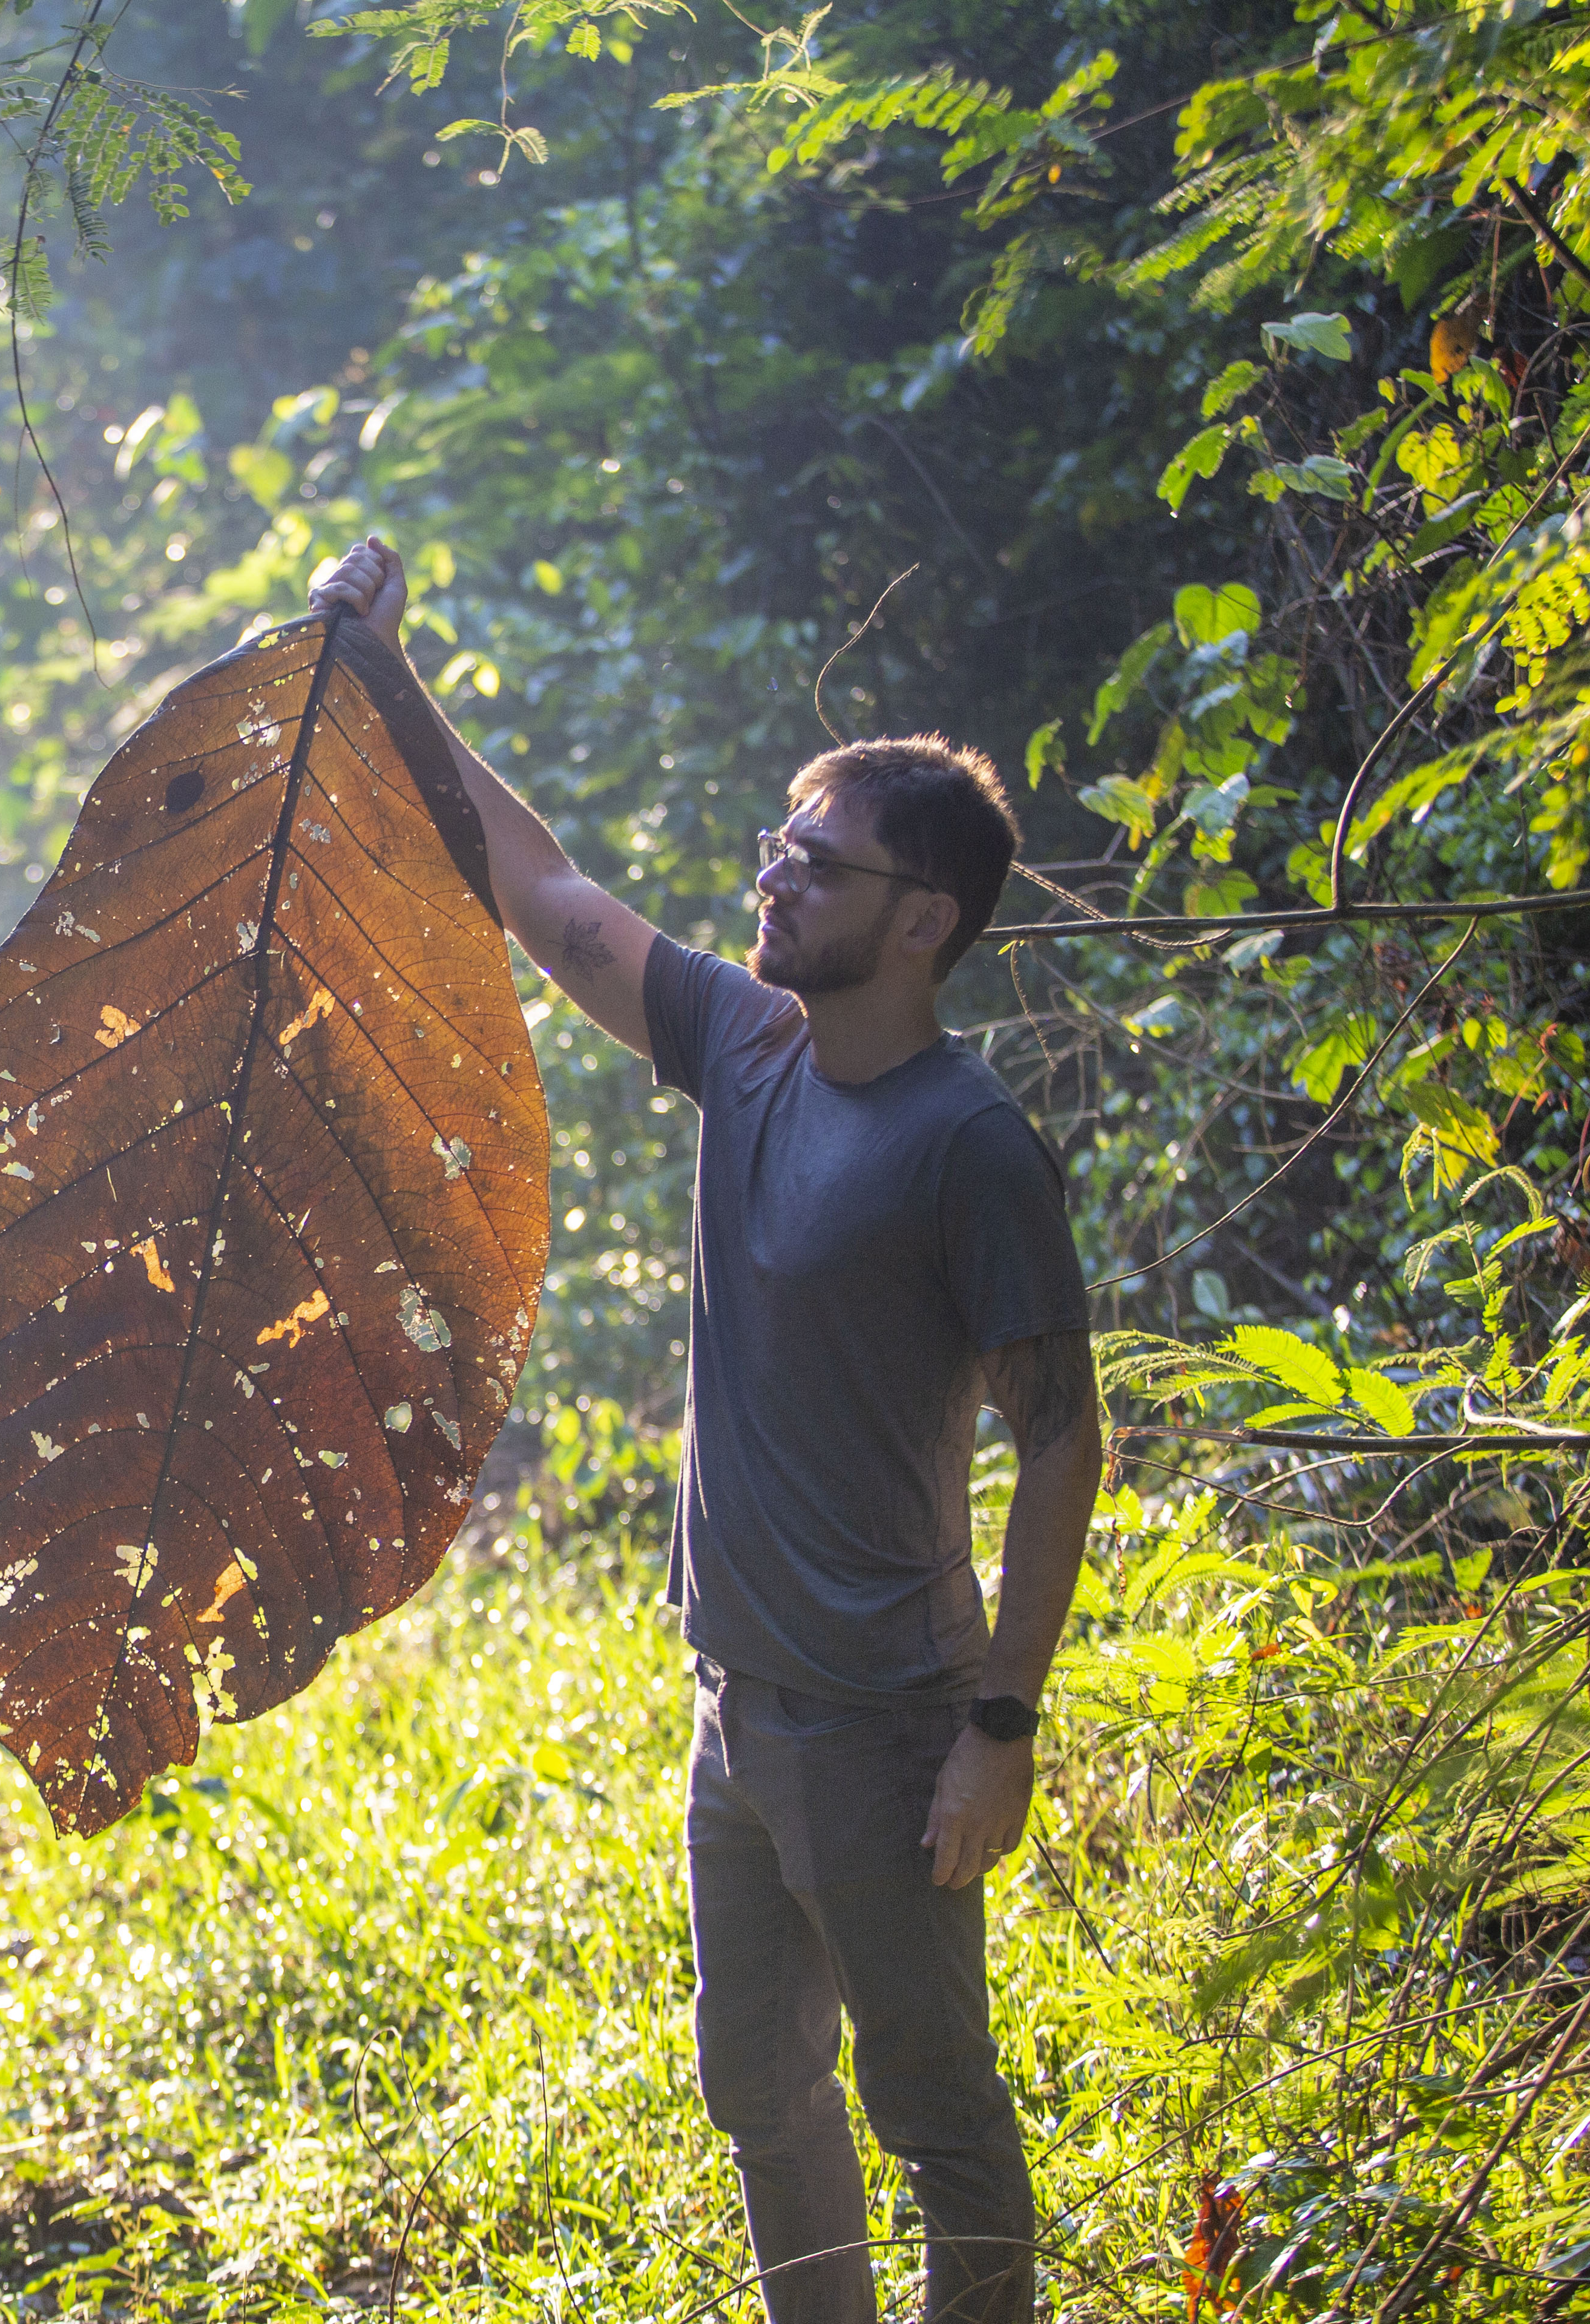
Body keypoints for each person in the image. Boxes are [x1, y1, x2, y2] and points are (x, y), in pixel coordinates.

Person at [308, 537, 1102, 2324]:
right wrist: (384, 674)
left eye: (817, 865)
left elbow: (1064, 1442)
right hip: (735, 1704)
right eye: (778, 844)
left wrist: (1004, 1727)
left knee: (934, 2107)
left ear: (924, 922)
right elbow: (550, 891)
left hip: (891, 1722)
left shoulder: (970, 1148)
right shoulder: (741, 1041)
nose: (776, 876)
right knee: (755, 2086)